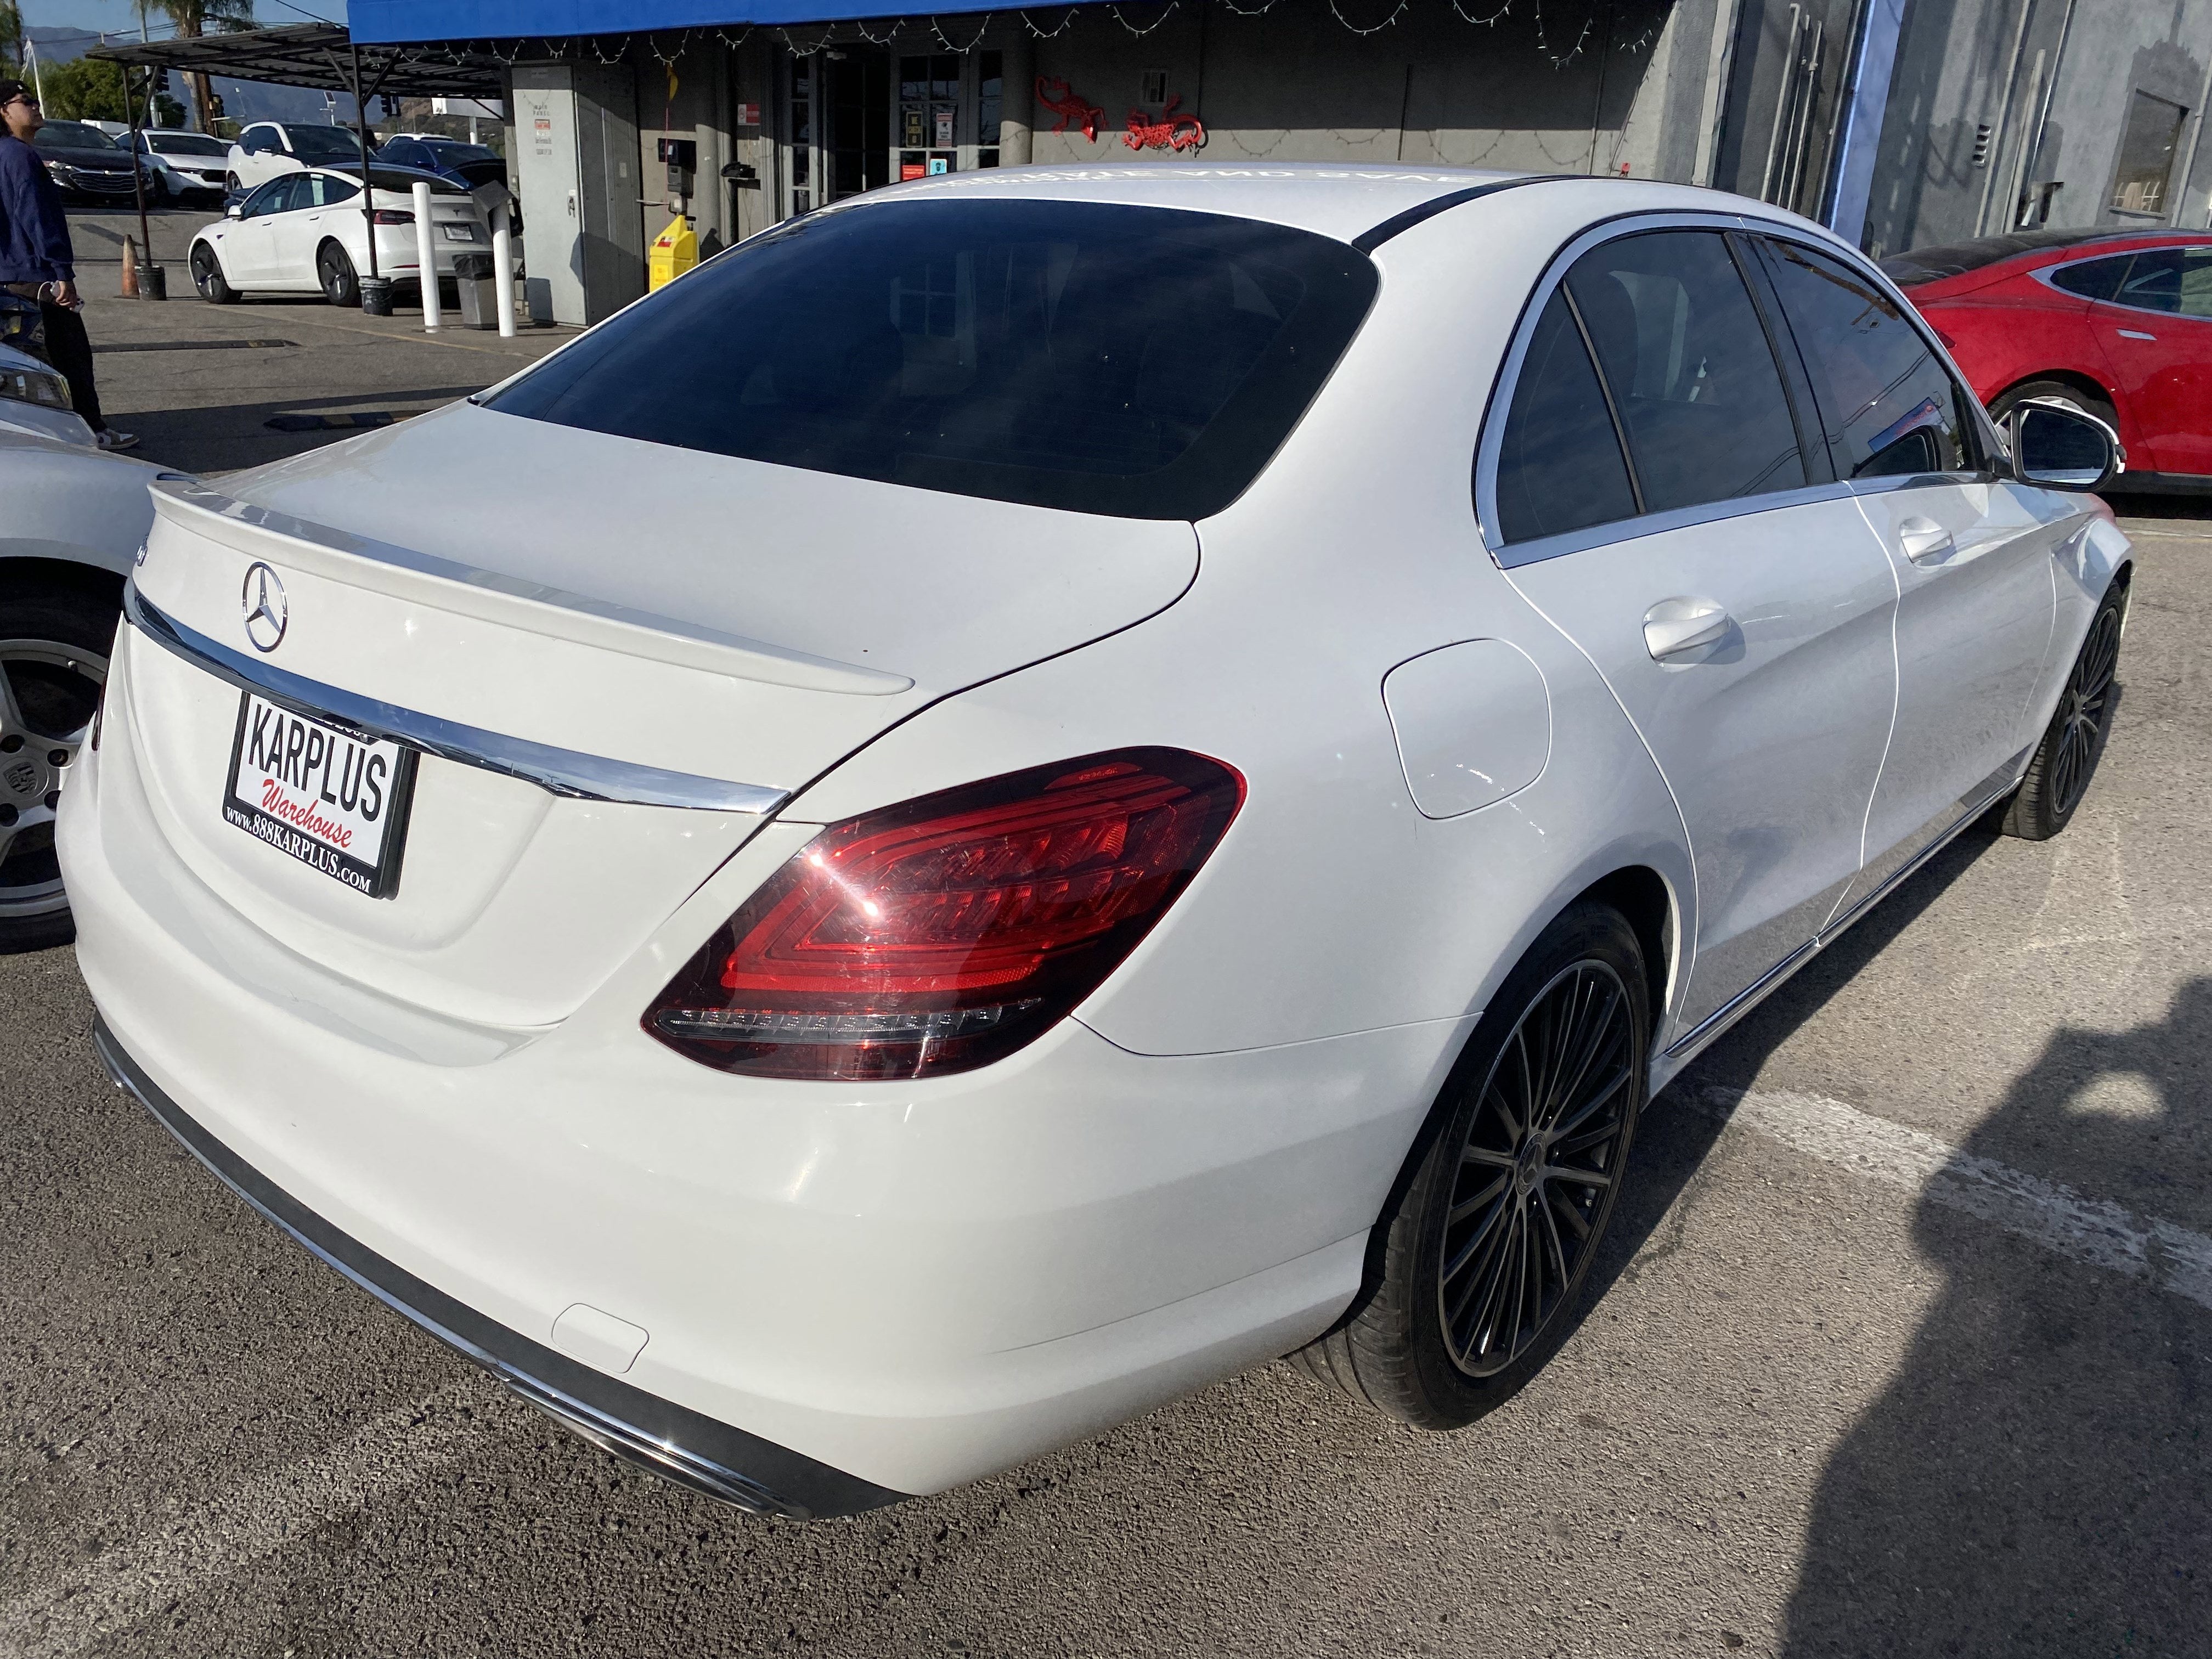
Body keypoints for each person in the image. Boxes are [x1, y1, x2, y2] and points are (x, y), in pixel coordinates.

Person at [0, 79, 136, 450]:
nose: (36, 106)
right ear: (4, 112)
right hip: (37, 277)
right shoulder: (21, 156)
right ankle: (96, 434)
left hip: (8, 279)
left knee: (25, 367)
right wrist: (62, 274)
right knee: (71, 357)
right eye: (25, 101)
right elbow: (37, 217)